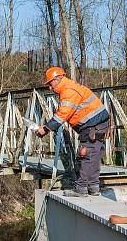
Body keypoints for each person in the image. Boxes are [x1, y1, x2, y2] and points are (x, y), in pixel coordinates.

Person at [35, 67, 109, 196]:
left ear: (57, 79)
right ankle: (93, 187)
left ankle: (81, 188)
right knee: (93, 155)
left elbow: (62, 114)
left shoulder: (69, 90)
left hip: (92, 125)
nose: (50, 88)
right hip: (97, 124)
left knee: (85, 155)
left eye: (50, 83)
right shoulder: (68, 88)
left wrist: (45, 129)